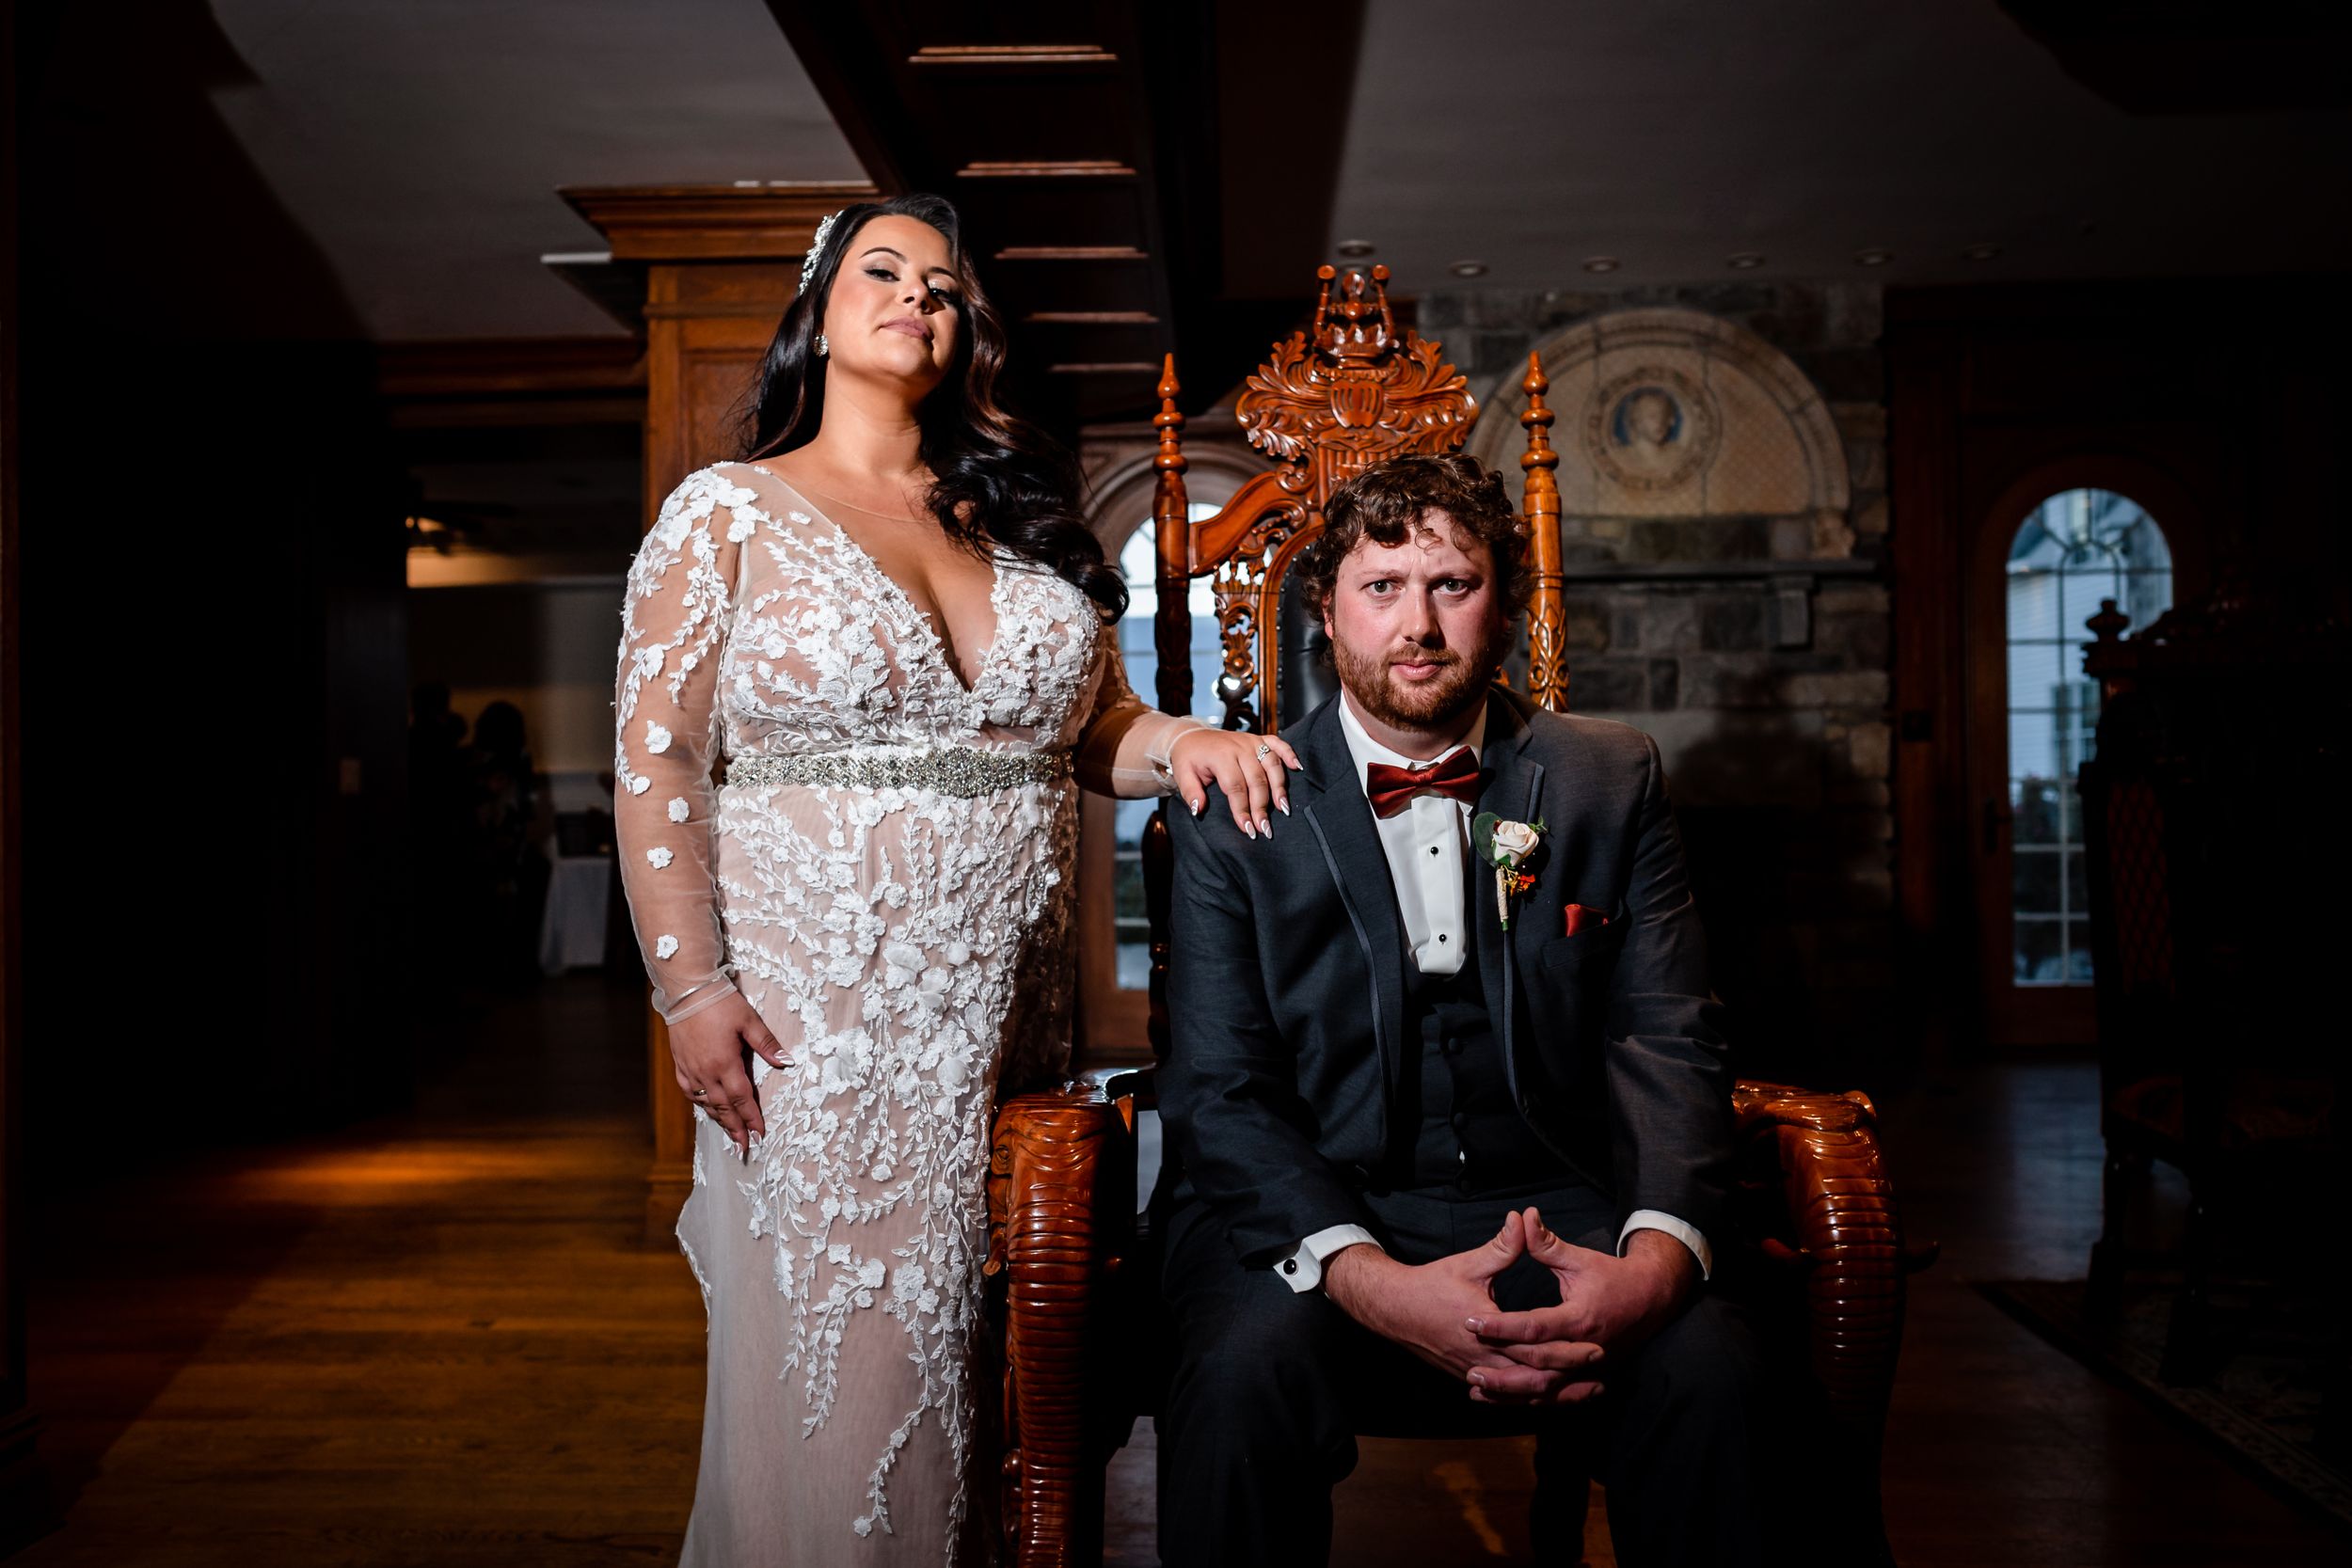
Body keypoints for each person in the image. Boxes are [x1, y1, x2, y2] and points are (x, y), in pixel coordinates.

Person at [611, 193, 1293, 1566]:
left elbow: (1091, 732)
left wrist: (1187, 741)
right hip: (816, 1031)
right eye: (883, 270)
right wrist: (692, 988)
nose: (918, 296)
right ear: (816, 313)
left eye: (942, 284)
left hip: (1005, 1025)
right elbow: (657, 756)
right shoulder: (727, 512)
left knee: (994, 1387)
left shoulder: (1011, 519)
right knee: (861, 1392)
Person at [1155, 452, 1765, 1567]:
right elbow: (1218, 1090)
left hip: (1558, 1192)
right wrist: (1369, 1278)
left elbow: (1669, 1034)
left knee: (1714, 1370)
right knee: (1242, 1374)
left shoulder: (1608, 778)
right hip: (1318, 1200)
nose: (1419, 623)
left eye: (1452, 582)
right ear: (1327, 612)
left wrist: (1654, 1263)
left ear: (1504, 604)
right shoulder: (1235, 801)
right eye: (1382, 586)